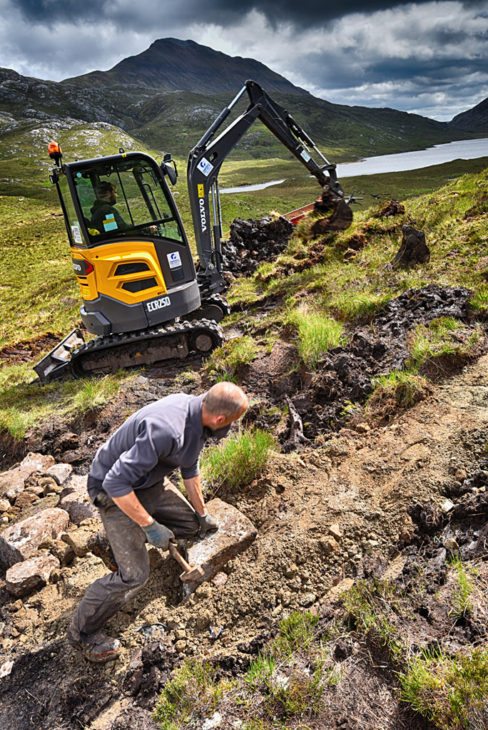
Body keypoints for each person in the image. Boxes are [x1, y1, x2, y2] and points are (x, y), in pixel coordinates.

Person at [67, 383, 249, 663]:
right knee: (135, 576)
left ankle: (128, 537)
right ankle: (82, 634)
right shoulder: (166, 428)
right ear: (220, 419)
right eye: (231, 423)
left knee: (190, 527)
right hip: (112, 490)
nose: (230, 428)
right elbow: (115, 483)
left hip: (147, 481)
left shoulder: (200, 416)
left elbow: (190, 468)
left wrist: (202, 514)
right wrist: (150, 527)